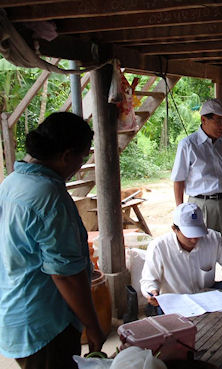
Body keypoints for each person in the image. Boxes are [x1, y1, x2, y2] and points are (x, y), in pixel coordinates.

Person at [0, 112, 105, 369]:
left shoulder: (13, 182)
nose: (81, 164)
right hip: (45, 323)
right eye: (82, 157)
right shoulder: (48, 195)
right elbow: (65, 274)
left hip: (17, 314)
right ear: (66, 155)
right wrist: (92, 326)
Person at [171, 98, 222, 279]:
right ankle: (205, 294)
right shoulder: (188, 145)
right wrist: (181, 211)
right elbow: (178, 181)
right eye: (218, 121)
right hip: (200, 205)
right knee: (200, 252)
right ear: (203, 120)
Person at [141, 202, 222, 309]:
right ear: (175, 229)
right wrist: (152, 291)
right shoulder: (159, 246)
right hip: (177, 299)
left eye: (198, 233)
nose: (194, 240)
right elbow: (149, 280)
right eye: (189, 235)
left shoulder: (212, 238)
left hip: (204, 295)